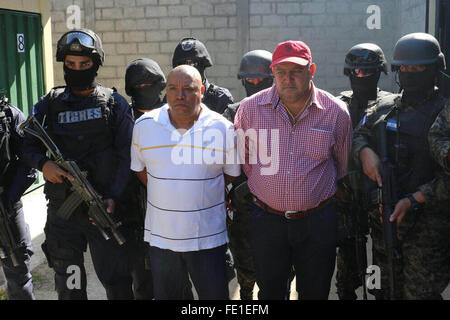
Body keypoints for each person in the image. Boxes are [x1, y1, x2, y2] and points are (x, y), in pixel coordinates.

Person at [234, 40, 352, 300]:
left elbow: (340, 165)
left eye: (296, 71)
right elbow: (245, 160)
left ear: (311, 70)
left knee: (315, 291)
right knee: (270, 292)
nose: (287, 79)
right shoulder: (250, 110)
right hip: (266, 220)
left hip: (317, 221)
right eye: (280, 72)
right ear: (273, 73)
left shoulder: (335, 113)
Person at [22, 29, 135, 300]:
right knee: (70, 286)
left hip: (103, 209)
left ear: (95, 65)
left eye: (84, 65)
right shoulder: (49, 104)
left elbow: (127, 155)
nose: (77, 70)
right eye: (71, 65)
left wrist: (113, 197)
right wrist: (43, 165)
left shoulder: (114, 104)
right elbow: (25, 143)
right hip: (64, 213)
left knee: (117, 282)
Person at [352, 32, 450, 299]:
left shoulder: (445, 112)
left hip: (427, 230)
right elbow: (358, 134)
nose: (409, 73)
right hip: (386, 223)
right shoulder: (385, 107)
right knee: (386, 292)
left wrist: (417, 198)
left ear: (434, 70)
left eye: (417, 68)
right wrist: (364, 153)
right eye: (403, 68)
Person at [131, 65, 240, 300]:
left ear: (201, 90)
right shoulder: (144, 126)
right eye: (173, 88)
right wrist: (170, 186)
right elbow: (141, 170)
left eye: (188, 89)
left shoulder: (223, 128)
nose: (180, 95)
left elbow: (230, 174)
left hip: (208, 240)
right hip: (162, 240)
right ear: (166, 92)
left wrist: (197, 186)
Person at [335, 43, 393, 300]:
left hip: (379, 195)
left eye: (367, 72)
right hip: (345, 195)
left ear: (379, 72)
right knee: (347, 261)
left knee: (381, 262)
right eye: (355, 72)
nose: (360, 77)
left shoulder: (392, 104)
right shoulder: (338, 105)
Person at [223, 49, 273, 300]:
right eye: (249, 81)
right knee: (244, 269)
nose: (254, 85)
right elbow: (222, 156)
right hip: (243, 206)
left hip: (276, 205)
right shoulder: (232, 113)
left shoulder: (283, 111)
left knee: (276, 272)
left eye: (260, 81)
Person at [118, 57, 168, 299]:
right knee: (143, 283)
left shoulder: (175, 114)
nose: (145, 90)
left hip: (171, 215)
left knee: (176, 284)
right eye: (139, 86)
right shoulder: (123, 119)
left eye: (150, 84)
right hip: (136, 216)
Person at [0, 95, 37, 300]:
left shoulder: (8, 115)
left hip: (6, 207)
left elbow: (29, 162)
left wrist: (9, 198)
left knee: (18, 269)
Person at [171, 37, 234, 114]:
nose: (189, 68)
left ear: (203, 64)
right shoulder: (172, 96)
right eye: (183, 63)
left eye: (194, 63)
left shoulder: (220, 97)